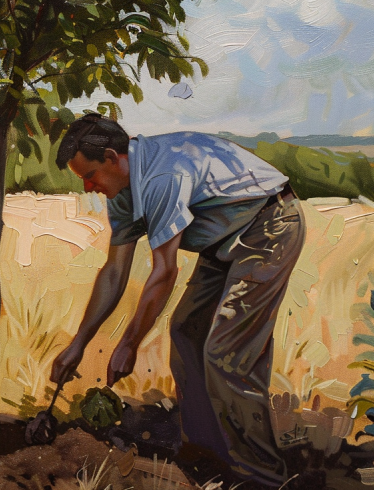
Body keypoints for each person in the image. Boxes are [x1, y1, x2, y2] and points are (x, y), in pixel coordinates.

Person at [48, 114, 305, 488]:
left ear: (111, 157)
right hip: (224, 243)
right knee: (186, 332)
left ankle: (263, 478)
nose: (89, 186)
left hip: (268, 226)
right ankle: (207, 457)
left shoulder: (161, 176)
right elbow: (115, 273)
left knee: (226, 355)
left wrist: (129, 344)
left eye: (90, 176)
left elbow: (164, 272)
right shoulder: (121, 190)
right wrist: (78, 345)